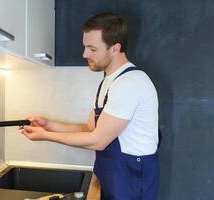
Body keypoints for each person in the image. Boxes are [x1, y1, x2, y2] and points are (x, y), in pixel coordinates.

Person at [20, 12, 159, 200]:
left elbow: (98, 140)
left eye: (92, 49)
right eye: (85, 47)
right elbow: (89, 128)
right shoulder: (108, 83)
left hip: (131, 180)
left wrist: (46, 136)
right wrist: (47, 124)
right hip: (112, 176)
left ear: (115, 48)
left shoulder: (131, 83)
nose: (85, 54)